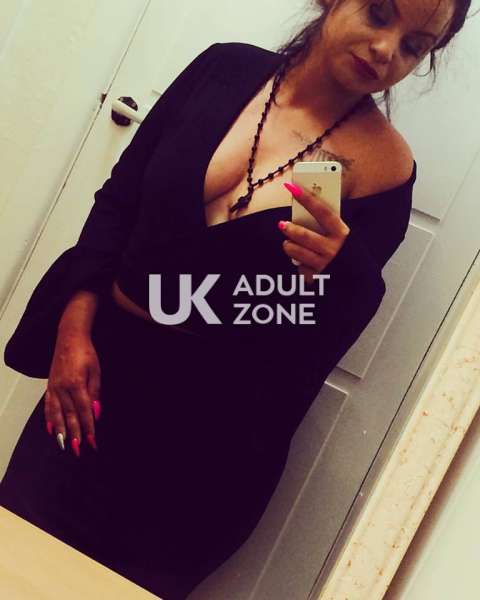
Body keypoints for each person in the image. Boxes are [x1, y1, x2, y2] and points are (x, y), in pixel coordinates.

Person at [1, 1, 471, 598]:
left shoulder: (382, 168)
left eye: (414, 46)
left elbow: (305, 339)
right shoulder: (221, 72)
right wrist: (73, 333)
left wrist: (336, 274)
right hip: (92, 382)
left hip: (208, 440)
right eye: (379, 14)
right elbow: (118, 204)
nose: (386, 50)